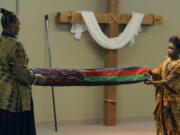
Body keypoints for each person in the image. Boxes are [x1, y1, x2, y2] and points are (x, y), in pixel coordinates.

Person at [0, 8, 46, 135]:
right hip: (14, 96)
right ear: (13, 26)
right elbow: (21, 74)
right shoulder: (16, 45)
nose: (20, 27)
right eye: (19, 24)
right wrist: (36, 78)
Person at [145, 35, 180, 135]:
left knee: (174, 124)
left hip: (173, 100)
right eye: (168, 48)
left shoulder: (178, 64)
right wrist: (149, 71)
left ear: (178, 50)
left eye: (172, 48)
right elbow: (158, 71)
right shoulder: (166, 60)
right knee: (162, 121)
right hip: (162, 97)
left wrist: (152, 82)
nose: (169, 50)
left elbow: (167, 81)